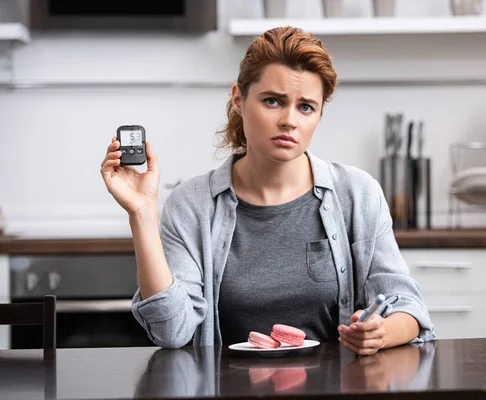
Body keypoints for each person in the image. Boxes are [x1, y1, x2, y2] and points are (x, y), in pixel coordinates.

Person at [100, 26, 434, 355]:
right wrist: (141, 213)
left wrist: (381, 333)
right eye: (273, 101)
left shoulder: (358, 194)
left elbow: (408, 307)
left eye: (306, 107)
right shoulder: (191, 204)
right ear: (238, 99)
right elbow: (171, 331)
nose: (290, 120)